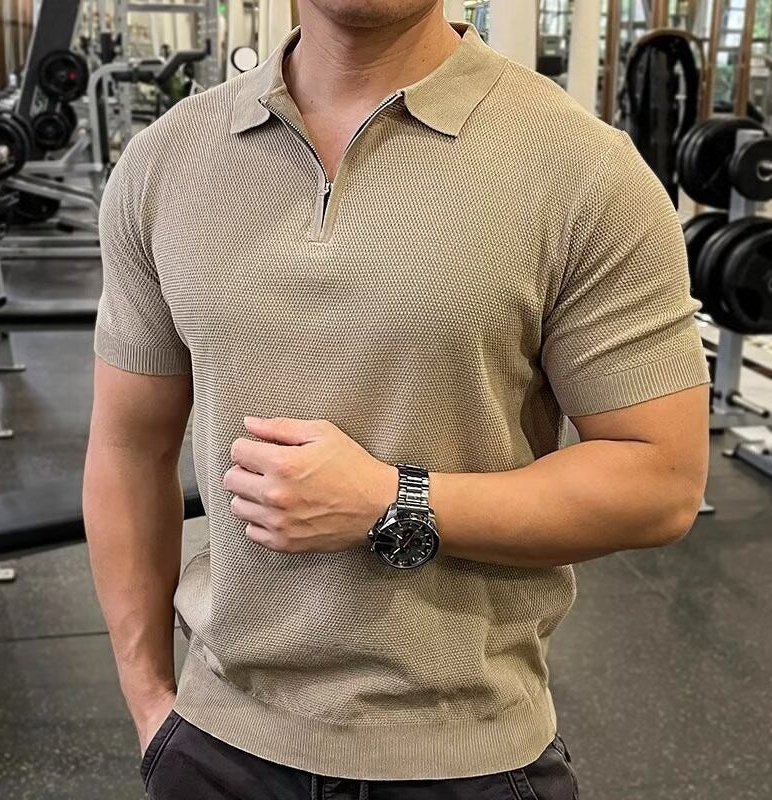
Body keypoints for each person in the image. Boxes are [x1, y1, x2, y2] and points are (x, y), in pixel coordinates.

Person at [83, 1, 710, 798]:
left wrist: (394, 500)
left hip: (468, 758)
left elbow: (661, 482)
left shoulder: (585, 170)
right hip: (215, 747)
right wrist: (149, 704)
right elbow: (127, 448)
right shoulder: (165, 160)